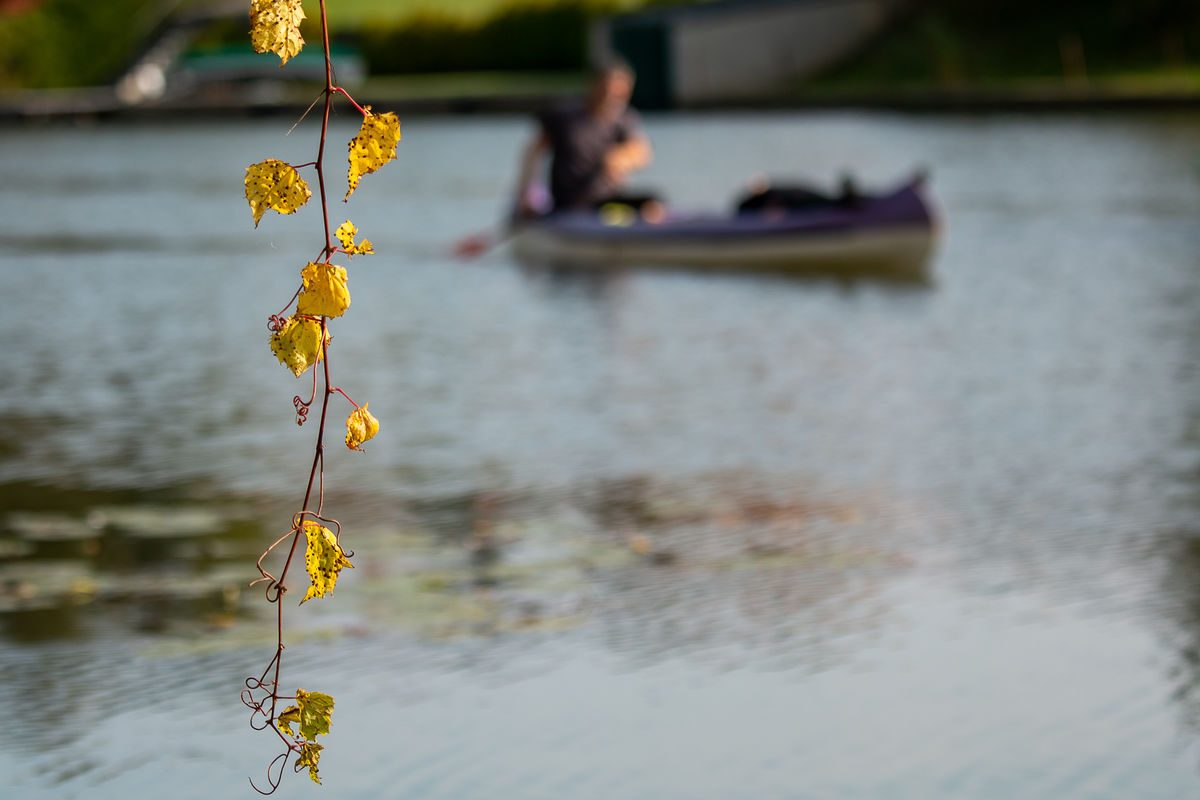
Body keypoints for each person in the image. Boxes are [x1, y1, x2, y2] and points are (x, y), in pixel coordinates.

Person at [515, 60, 655, 218]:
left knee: (651, 205)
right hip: (570, 203)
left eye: (619, 93)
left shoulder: (624, 119)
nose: (611, 97)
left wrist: (621, 158)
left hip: (607, 202)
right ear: (594, 85)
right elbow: (533, 154)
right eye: (607, 89)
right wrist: (526, 194)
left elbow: (642, 153)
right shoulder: (563, 115)